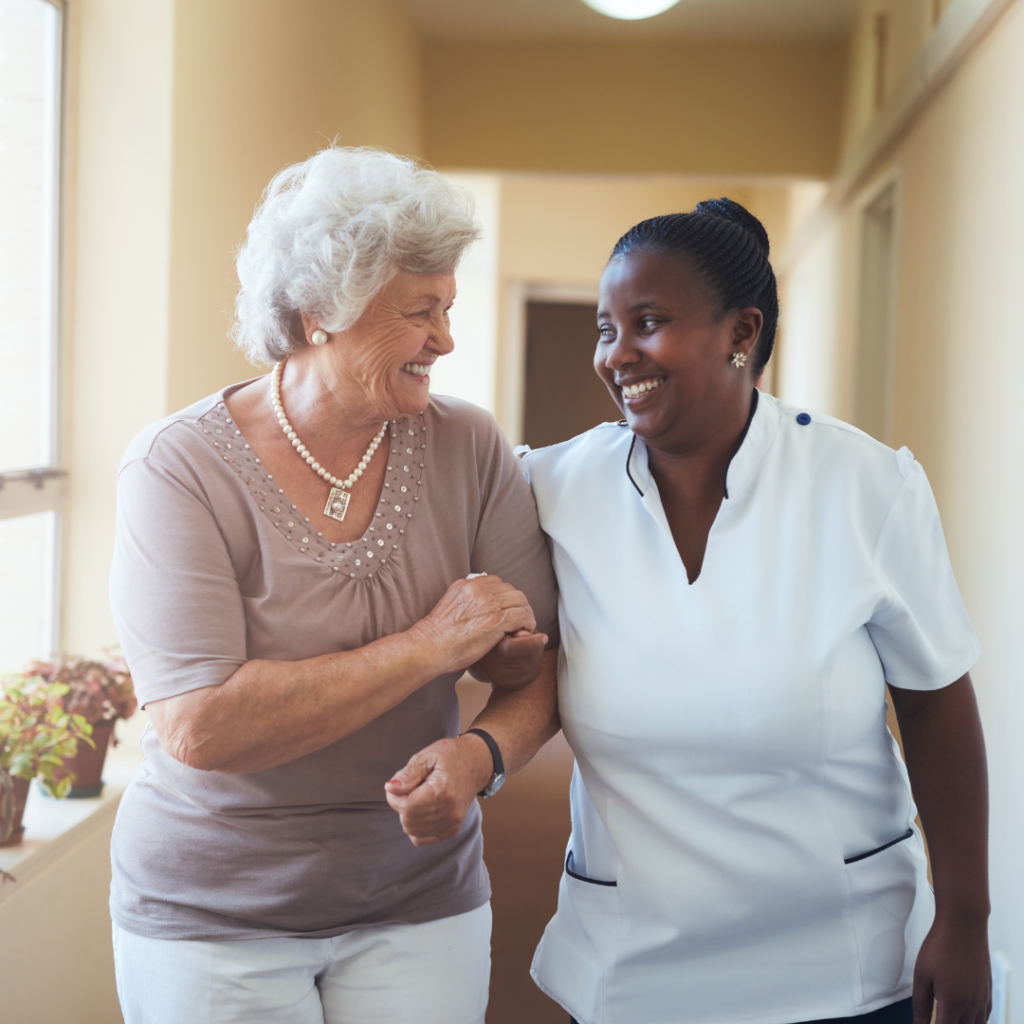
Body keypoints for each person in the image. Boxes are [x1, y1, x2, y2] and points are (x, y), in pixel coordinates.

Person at [400, 198, 991, 1024]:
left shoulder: (865, 487)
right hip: (632, 965)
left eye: (648, 322)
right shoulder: (550, 487)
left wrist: (966, 919)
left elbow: (936, 705)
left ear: (741, 333)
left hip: (844, 962)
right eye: (606, 329)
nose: (617, 355)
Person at [107, 147, 558, 1024]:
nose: (447, 339)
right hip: (212, 916)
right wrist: (431, 646)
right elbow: (202, 724)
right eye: (421, 311)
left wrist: (481, 752)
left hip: (420, 896)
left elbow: (535, 669)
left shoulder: (469, 446)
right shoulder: (178, 467)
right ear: (320, 313)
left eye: (450, 307)